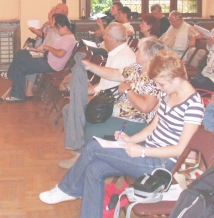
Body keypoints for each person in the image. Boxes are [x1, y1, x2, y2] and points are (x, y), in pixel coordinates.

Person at [39, 49, 205, 218]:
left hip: (161, 164)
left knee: (93, 147)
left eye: (161, 84)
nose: (159, 88)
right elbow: (153, 126)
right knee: (94, 168)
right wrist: (132, 140)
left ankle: (68, 189)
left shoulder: (193, 105)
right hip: (148, 151)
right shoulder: (169, 94)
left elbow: (180, 150)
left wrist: (141, 150)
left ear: (176, 79)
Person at [60, 37, 161, 169]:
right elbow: (114, 74)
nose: (135, 52)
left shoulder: (154, 77)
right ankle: (81, 149)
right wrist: (90, 66)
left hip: (135, 121)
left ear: (149, 55)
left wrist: (127, 91)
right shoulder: (137, 67)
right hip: (115, 110)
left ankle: (82, 160)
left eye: (139, 51)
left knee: (92, 130)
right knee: (74, 112)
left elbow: (146, 107)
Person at [3, 14, 76, 102]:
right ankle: (17, 96)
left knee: (20, 54)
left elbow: (60, 54)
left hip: (51, 65)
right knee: (20, 67)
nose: (57, 31)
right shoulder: (66, 37)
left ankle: (10, 74)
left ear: (63, 27)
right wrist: (40, 50)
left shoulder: (68, 38)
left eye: (58, 29)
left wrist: (48, 48)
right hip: (48, 61)